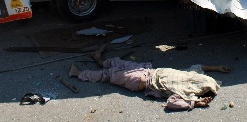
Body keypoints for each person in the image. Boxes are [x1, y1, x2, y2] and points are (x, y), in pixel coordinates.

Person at [69, 45, 230, 111]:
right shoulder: (190, 76)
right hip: (148, 71)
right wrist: (217, 68)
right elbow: (198, 67)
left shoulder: (186, 92)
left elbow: (171, 103)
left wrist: (196, 103)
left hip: (142, 82)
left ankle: (77, 74)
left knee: (109, 75)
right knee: (119, 63)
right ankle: (99, 59)